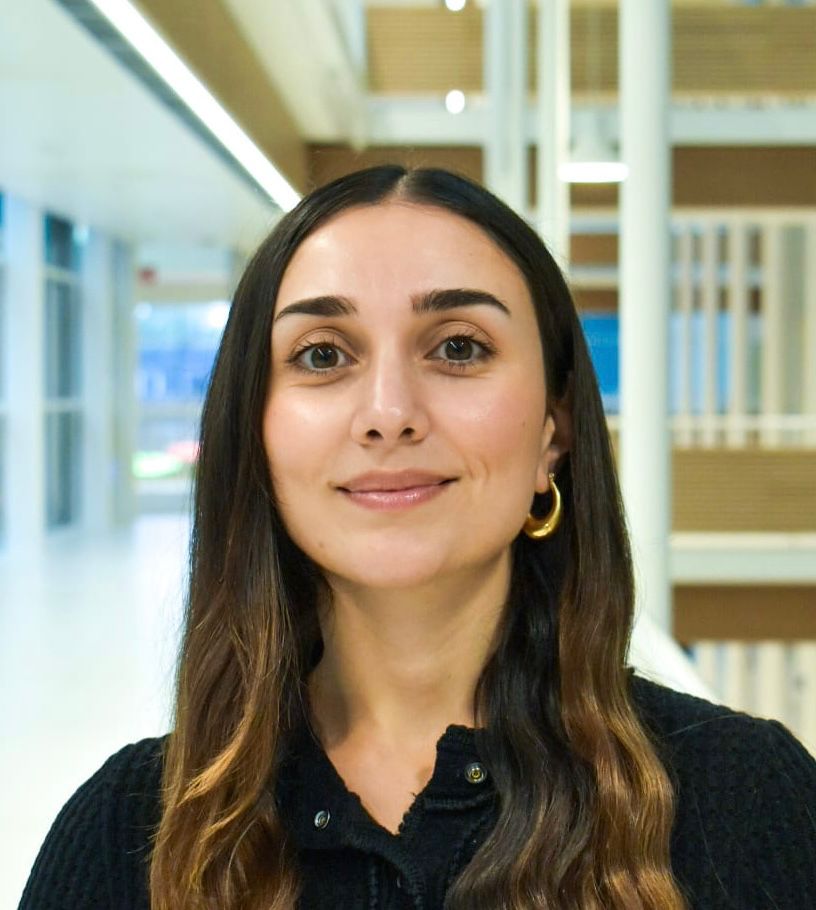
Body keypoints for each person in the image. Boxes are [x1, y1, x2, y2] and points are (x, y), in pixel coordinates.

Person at [19, 165, 816, 910]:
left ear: (554, 429)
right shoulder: (123, 837)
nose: (389, 411)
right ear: (255, 431)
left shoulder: (745, 801)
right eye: (323, 355)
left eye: (459, 347)